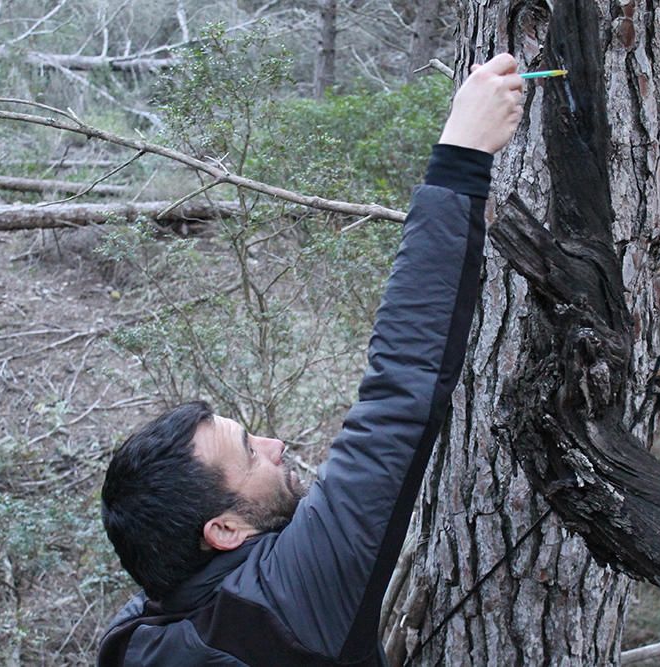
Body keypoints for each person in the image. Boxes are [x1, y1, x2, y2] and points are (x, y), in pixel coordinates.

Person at [98, 52, 525, 666]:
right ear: (223, 531)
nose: (272, 444)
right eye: (248, 453)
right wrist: (461, 156)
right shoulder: (284, 604)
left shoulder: (136, 640)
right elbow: (400, 391)